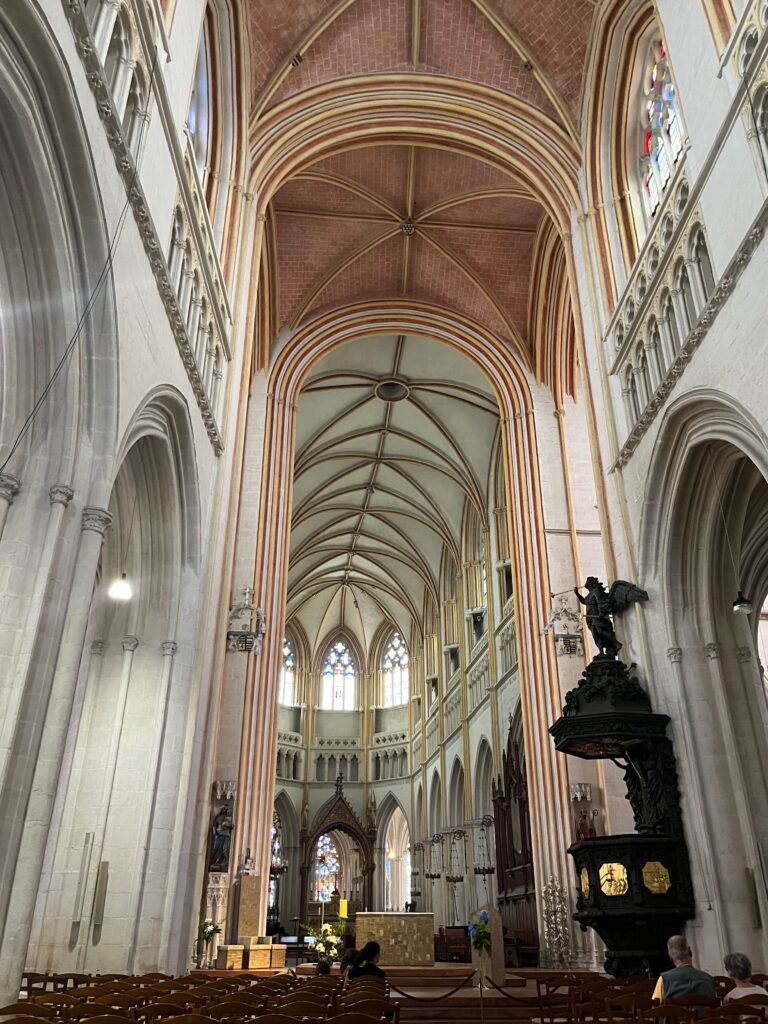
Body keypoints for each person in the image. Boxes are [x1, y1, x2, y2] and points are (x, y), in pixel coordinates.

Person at [653, 936, 715, 1015]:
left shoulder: (664, 979)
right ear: (690, 952)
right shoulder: (709, 979)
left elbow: (655, 1008)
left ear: (670, 956)